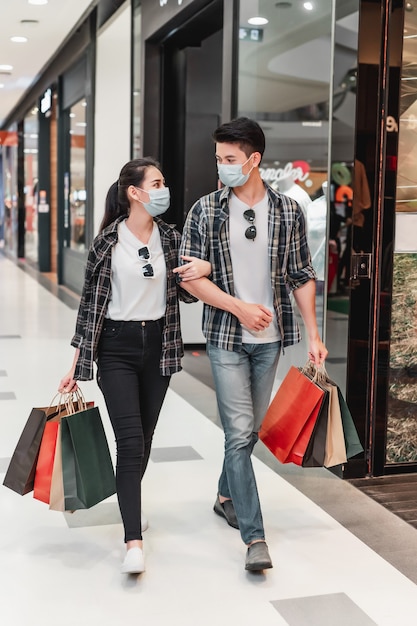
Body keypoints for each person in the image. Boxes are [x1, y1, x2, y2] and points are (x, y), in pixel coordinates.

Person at [174, 117, 328, 572]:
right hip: (225, 338)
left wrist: (314, 335)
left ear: (254, 159)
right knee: (240, 433)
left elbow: (301, 275)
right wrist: (239, 308)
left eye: (230, 160)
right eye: (219, 159)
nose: (222, 167)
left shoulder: (287, 211)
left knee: (248, 432)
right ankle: (254, 538)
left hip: (271, 340)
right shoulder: (205, 210)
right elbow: (190, 281)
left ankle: (226, 495)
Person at [59, 157, 211, 575]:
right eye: (157, 183)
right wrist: (76, 362)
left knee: (142, 438)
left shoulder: (172, 238)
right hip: (116, 349)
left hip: (158, 347)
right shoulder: (107, 242)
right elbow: (90, 308)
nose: (164, 190)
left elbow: (188, 295)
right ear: (135, 192)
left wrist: (202, 269)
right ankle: (133, 540)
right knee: (129, 441)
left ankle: (131, 504)